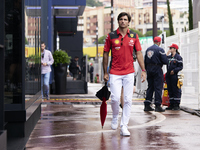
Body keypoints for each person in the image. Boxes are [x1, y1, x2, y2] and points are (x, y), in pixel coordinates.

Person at [103, 12, 146, 136]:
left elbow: (138, 53)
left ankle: (124, 126)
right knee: (115, 98)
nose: (123, 21)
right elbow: (105, 53)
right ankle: (115, 116)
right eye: (121, 19)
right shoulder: (110, 36)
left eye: (125, 19)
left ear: (128, 22)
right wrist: (105, 72)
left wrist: (143, 70)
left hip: (129, 72)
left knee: (127, 100)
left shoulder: (134, 36)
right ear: (118, 21)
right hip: (115, 72)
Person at [144, 36, 168, 112]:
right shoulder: (160, 49)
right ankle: (158, 105)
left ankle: (147, 104)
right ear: (159, 42)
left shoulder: (148, 49)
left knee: (150, 87)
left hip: (149, 68)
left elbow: (145, 60)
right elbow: (165, 61)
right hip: (157, 69)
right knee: (158, 87)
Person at [165, 44, 183, 110]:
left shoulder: (178, 57)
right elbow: (164, 61)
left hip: (174, 75)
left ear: (175, 49)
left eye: (171, 48)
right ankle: (171, 104)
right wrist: (167, 54)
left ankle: (176, 104)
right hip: (169, 75)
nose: (170, 49)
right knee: (170, 89)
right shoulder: (169, 57)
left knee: (175, 89)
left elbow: (180, 66)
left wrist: (174, 70)